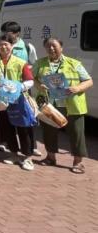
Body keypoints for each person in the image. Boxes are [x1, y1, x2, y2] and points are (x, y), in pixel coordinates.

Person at [33, 37, 93, 174]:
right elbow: (32, 78)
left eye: (54, 46)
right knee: (49, 131)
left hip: (72, 104)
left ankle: (78, 162)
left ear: (61, 47)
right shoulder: (40, 63)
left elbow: (89, 81)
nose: (51, 48)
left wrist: (78, 88)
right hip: (50, 104)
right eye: (48, 46)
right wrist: (39, 85)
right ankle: (50, 157)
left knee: (76, 133)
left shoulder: (74, 63)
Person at [0, 34, 36, 171]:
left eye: (6, 44)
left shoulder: (20, 62)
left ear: (11, 46)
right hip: (2, 101)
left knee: (24, 128)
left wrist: (19, 87)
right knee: (7, 127)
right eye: (0, 45)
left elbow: (30, 80)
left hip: (19, 100)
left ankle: (28, 157)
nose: (3, 47)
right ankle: (14, 154)